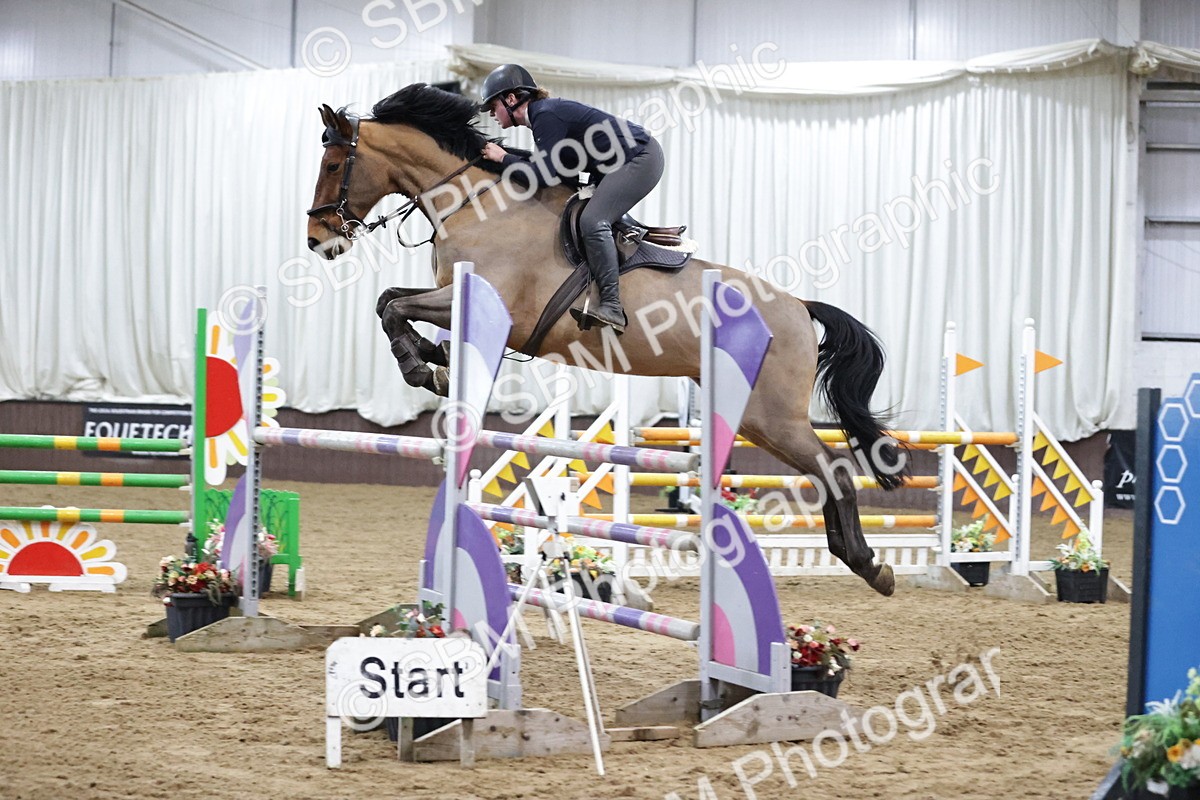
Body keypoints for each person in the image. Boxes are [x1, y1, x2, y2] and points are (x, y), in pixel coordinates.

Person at [479, 64, 664, 333]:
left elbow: (542, 175)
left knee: (593, 220)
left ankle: (612, 306)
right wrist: (504, 159)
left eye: (493, 106)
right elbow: (551, 169)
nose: (492, 114)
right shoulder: (542, 118)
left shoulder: (546, 115)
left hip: (640, 158)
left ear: (511, 98)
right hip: (616, 164)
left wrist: (503, 158)